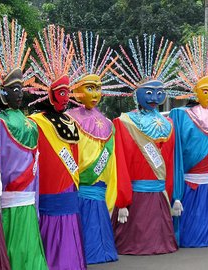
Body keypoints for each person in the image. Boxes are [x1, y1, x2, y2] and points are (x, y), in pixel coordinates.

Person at [0, 17, 47, 270]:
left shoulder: (31, 123)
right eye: (13, 89)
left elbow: (37, 166)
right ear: (2, 93)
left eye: (21, 88)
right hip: (7, 197)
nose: (19, 93)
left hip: (27, 196)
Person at [109, 35, 178, 255]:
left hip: (158, 192)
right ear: (137, 95)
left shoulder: (169, 124)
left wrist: (174, 194)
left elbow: (171, 163)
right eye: (148, 93)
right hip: (135, 194)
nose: (154, 97)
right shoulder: (124, 122)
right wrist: (122, 200)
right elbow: (120, 163)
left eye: (159, 93)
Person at [28, 25, 86, 270]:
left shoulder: (72, 122)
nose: (65, 97)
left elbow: (75, 155)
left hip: (69, 186)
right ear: (50, 94)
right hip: (48, 187)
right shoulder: (35, 122)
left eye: (67, 92)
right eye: (60, 92)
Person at [65, 31, 119, 264]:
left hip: (99, 189)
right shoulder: (69, 119)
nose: (95, 93)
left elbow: (111, 164)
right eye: (89, 88)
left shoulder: (108, 123)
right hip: (80, 187)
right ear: (77, 90)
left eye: (98, 88)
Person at [169, 36, 208, 247]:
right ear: (195, 92)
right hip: (191, 178)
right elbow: (178, 154)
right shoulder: (183, 115)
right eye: (204, 91)